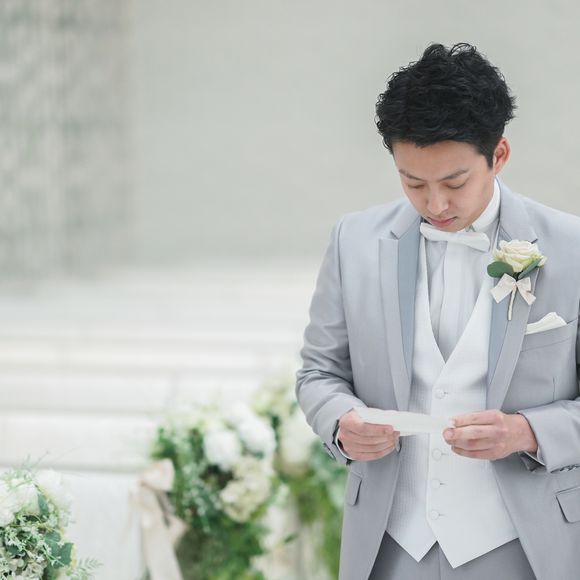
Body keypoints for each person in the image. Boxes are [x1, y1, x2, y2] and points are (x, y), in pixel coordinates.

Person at [295, 42, 580, 580]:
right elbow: (318, 372)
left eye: (454, 183)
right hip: (390, 543)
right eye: (413, 183)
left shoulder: (572, 247)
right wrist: (341, 421)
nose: (435, 205)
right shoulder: (353, 241)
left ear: (499, 155)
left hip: (525, 545)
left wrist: (526, 432)